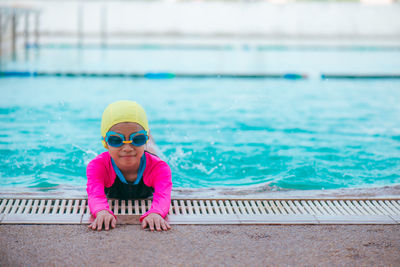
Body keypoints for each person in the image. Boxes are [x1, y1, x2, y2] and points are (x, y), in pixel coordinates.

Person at [86, 100, 172, 231]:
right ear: (105, 142)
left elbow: (164, 196)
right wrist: (101, 211)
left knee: (151, 150)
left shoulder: (159, 168)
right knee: (142, 149)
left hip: (149, 156)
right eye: (116, 140)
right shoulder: (98, 166)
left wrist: (156, 212)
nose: (127, 148)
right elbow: (95, 195)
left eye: (138, 139)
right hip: (140, 152)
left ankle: (148, 140)